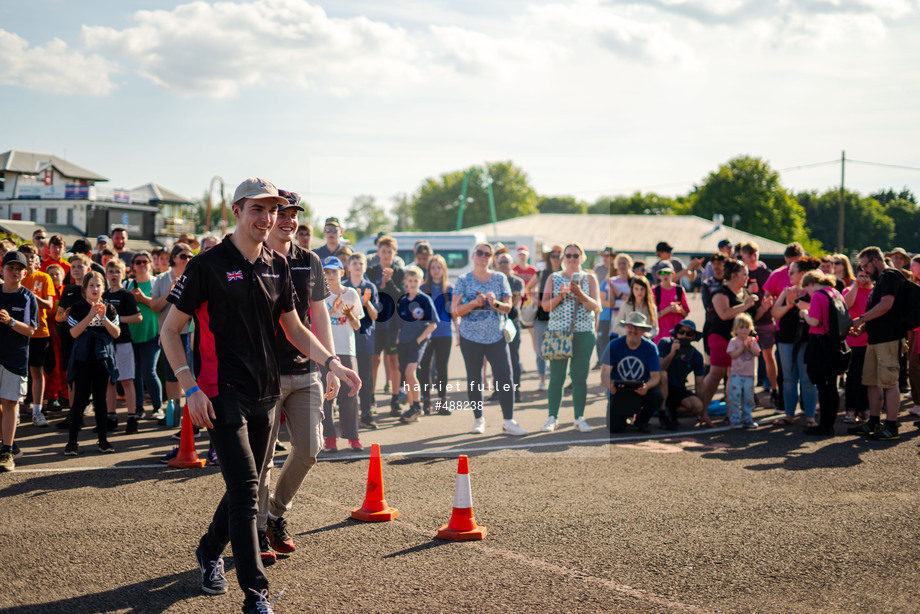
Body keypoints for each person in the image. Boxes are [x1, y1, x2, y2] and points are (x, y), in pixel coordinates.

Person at [161, 178, 359, 614]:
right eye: (258, 209)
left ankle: (209, 548)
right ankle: (256, 594)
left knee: (242, 488)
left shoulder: (278, 264)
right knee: (250, 489)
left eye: (272, 210)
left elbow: (293, 326)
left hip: (266, 392)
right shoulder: (207, 265)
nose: (267, 217)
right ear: (237, 211)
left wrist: (331, 362)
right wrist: (189, 387)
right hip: (219, 392)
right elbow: (169, 330)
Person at [256, 190, 333, 564]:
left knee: (308, 449)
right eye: (281, 213)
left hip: (306, 371)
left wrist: (330, 362)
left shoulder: (311, 260)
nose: (288, 220)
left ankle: (273, 514)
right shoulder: (255, 258)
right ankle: (256, 531)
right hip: (265, 375)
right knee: (263, 458)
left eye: (293, 215)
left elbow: (319, 316)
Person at [452, 242, 526, 435]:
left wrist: (495, 303)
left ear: (491, 257)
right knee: (475, 379)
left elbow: (509, 308)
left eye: (488, 253)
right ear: (473, 255)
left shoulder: (500, 278)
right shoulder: (463, 279)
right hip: (470, 337)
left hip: (496, 336)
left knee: (505, 377)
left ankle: (508, 421)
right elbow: (455, 310)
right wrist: (473, 304)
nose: (484, 256)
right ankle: (478, 419)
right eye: (480, 252)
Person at [847, 247, 906, 441]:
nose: (863, 270)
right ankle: (874, 421)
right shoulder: (880, 278)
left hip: (889, 339)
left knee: (889, 382)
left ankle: (891, 426)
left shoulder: (889, 275)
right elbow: (880, 310)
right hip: (875, 338)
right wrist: (865, 327)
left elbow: (887, 304)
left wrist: (861, 319)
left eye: (865, 265)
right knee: (871, 381)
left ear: (874, 261)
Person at [541, 243, 600, 432]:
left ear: (582, 257)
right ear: (563, 258)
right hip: (558, 332)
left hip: (583, 331)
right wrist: (561, 295)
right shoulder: (554, 277)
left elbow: (596, 306)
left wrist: (579, 293)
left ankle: (579, 418)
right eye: (568, 255)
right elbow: (545, 306)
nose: (572, 259)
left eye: (575, 255)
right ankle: (552, 417)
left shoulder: (590, 277)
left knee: (579, 377)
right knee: (557, 377)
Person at [699, 259, 762, 427]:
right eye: (744, 274)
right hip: (719, 336)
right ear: (733, 276)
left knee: (732, 377)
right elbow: (724, 314)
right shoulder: (721, 293)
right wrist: (746, 305)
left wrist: (765, 307)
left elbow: (751, 318)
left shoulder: (745, 294)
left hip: (740, 339)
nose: (747, 277)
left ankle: (731, 414)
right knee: (716, 374)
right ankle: (701, 411)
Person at [64, 271, 120, 455]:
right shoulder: (77, 307)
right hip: (82, 360)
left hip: (102, 360)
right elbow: (73, 333)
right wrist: (90, 315)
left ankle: (103, 441)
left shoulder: (110, 309)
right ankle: (72, 443)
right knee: (79, 401)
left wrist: (103, 318)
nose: (95, 289)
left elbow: (116, 333)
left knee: (100, 401)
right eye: (91, 286)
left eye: (98, 286)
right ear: (85, 289)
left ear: (103, 288)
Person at [150, 243, 196, 433]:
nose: (187, 260)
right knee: (171, 375)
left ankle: (191, 418)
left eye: (190, 257)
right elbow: (154, 307)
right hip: (169, 335)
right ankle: (173, 415)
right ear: (174, 258)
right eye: (183, 256)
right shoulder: (162, 279)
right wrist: (170, 292)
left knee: (190, 375)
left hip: (189, 333)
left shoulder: (194, 276)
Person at [771, 256, 821, 427]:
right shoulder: (787, 291)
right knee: (788, 379)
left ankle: (809, 417)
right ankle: (789, 415)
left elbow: (817, 310)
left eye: (792, 272)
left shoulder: (813, 292)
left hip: (807, 340)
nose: (789, 274)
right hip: (786, 340)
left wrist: (798, 302)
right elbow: (775, 313)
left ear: (803, 273)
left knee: (807, 379)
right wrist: (789, 305)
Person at [320, 256, 364, 449]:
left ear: (342, 273)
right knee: (327, 395)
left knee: (350, 393)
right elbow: (317, 323)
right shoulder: (319, 295)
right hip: (326, 352)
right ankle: (330, 439)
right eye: (326, 272)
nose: (330, 275)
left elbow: (357, 325)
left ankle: (353, 438)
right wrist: (332, 310)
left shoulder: (352, 293)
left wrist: (348, 314)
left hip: (347, 349)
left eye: (333, 271)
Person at [0, 251, 38, 471]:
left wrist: (10, 321)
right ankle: (8, 444)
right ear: (2, 269)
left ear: (25, 273)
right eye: (10, 268)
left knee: (10, 403)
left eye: (18, 269)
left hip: (15, 357)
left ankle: (6, 452)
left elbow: (31, 329)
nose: (14, 272)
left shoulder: (27, 296)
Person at [601, 312, 664, 433]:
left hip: (641, 391)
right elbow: (604, 373)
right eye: (630, 326)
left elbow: (656, 376)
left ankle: (642, 420)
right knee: (614, 428)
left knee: (656, 396)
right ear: (625, 327)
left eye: (638, 327)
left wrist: (647, 386)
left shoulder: (650, 348)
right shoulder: (614, 345)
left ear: (643, 330)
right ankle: (623, 417)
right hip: (619, 391)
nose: (633, 331)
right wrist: (610, 385)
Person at [800, 270, 844, 436]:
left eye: (806, 290)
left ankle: (825, 425)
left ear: (811, 284)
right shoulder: (835, 292)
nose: (807, 294)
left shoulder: (818, 295)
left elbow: (815, 321)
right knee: (831, 385)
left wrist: (804, 314)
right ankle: (829, 422)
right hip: (834, 343)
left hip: (819, 343)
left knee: (823, 386)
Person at [102, 259, 142, 434]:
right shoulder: (103, 295)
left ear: (123, 274)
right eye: (110, 271)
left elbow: (138, 317)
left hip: (123, 342)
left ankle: (132, 418)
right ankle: (110, 417)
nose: (113, 275)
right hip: (107, 343)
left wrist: (117, 319)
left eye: (117, 272)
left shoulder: (126, 295)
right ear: (106, 274)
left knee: (126, 381)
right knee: (109, 382)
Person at [18, 244, 56, 428]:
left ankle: (37, 411)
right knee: (17, 371)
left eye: (32, 256)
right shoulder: (17, 277)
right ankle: (15, 409)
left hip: (40, 331)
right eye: (26, 256)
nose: (30, 260)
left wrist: (33, 297)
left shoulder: (44, 277)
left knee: (37, 372)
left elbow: (50, 305)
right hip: (18, 331)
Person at [394, 265, 438, 423]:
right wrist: (399, 339)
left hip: (417, 343)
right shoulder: (403, 300)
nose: (412, 283)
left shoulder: (424, 299)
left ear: (421, 281)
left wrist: (418, 341)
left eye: (415, 280)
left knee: (411, 371)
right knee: (406, 374)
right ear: (405, 281)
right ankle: (412, 408)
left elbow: (433, 324)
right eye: (410, 280)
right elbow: (400, 324)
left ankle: (417, 406)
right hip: (404, 342)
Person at [367, 235, 405, 415]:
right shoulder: (372, 270)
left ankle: (395, 399)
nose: (386, 255)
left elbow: (400, 296)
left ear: (394, 253)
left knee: (393, 362)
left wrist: (389, 282)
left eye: (390, 252)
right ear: (378, 253)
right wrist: (380, 283)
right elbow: (369, 293)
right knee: (374, 360)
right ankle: (371, 398)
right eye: (383, 252)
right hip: (375, 324)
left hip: (393, 324)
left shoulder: (399, 272)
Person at [343, 252, 379, 428]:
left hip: (364, 338)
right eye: (354, 262)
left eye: (360, 263)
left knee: (365, 377)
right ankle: (345, 415)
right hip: (345, 339)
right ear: (348, 267)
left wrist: (366, 302)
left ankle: (366, 413)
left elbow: (374, 316)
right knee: (345, 378)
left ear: (365, 267)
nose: (357, 265)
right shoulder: (344, 287)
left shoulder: (370, 287)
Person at [738, 241, 778, 403]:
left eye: (755, 254)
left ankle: (774, 389)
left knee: (768, 356)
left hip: (766, 320)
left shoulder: (765, 272)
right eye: (750, 255)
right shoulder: (740, 272)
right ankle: (747, 393)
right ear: (744, 257)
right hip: (747, 321)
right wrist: (748, 291)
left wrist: (768, 303)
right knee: (745, 358)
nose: (753, 258)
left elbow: (773, 294)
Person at [126, 251, 164, 421]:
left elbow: (160, 306)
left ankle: (157, 407)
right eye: (138, 262)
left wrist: (143, 299)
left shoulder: (157, 283)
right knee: (135, 373)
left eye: (145, 261)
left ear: (150, 263)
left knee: (149, 371)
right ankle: (139, 407)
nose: (142, 265)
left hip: (152, 334)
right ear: (133, 266)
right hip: (132, 335)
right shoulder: (127, 285)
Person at [418, 254, 454, 414]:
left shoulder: (450, 289)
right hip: (426, 333)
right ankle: (426, 400)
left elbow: (454, 313)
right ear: (429, 270)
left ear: (443, 269)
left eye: (439, 267)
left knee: (441, 367)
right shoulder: (422, 288)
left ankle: (442, 400)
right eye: (433, 267)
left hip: (445, 333)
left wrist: (459, 333)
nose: (436, 270)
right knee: (424, 367)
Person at [657, 319, 705, 427]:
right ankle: (662, 414)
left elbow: (700, 383)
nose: (684, 336)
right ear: (676, 333)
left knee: (697, 406)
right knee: (663, 375)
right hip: (659, 387)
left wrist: (703, 412)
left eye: (688, 334)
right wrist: (672, 354)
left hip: (677, 389)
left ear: (693, 337)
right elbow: (659, 368)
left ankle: (672, 410)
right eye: (681, 332)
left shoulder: (696, 355)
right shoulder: (665, 343)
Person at [526, 245, 562, 391]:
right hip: (542, 316)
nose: (556, 259)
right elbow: (527, 289)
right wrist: (537, 301)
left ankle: (555, 379)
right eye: (553, 256)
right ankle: (541, 379)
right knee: (541, 350)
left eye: (559, 256)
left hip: (560, 317)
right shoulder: (542, 273)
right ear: (549, 258)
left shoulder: (565, 274)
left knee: (557, 351)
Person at [843, 267, 873, 423]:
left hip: (870, 341)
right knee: (853, 376)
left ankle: (864, 408)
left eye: (867, 275)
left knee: (867, 377)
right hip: (853, 341)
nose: (864, 279)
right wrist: (855, 286)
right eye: (861, 275)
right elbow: (846, 305)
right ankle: (851, 408)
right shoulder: (849, 289)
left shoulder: (875, 291)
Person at [495, 253, 524, 404]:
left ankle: (516, 390)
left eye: (506, 262)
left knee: (513, 358)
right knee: (496, 359)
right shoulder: (493, 280)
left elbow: (515, 302)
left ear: (511, 264)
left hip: (512, 323)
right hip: (496, 323)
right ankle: (497, 390)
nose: (503, 264)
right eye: (501, 262)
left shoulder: (517, 282)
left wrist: (498, 301)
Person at [727, 313, 761, 429]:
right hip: (736, 375)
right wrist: (742, 346)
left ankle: (747, 418)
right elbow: (733, 355)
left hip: (749, 375)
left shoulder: (752, 341)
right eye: (741, 327)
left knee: (748, 398)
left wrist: (750, 346)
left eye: (747, 327)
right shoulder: (733, 341)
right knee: (735, 398)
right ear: (736, 329)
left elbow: (757, 353)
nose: (744, 330)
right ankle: (735, 419)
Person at [598, 253, 631, 364]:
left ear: (629, 265)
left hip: (630, 318)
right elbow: (611, 304)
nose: (622, 266)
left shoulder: (634, 281)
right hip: (616, 318)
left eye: (624, 263)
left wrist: (618, 293)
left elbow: (633, 301)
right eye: (619, 263)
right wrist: (612, 288)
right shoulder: (612, 281)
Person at [612, 276, 659, 340]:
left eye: (642, 289)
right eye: (636, 289)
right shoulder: (626, 305)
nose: (639, 292)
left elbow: (655, 329)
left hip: (643, 343)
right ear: (632, 289)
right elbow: (616, 327)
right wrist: (632, 333)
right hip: (627, 342)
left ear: (646, 290)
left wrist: (647, 335)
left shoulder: (652, 307)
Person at [651, 264, 689, 343]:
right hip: (660, 336)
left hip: (678, 335)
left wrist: (679, 309)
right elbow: (653, 317)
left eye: (668, 273)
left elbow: (685, 314)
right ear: (658, 275)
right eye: (662, 273)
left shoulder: (680, 290)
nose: (665, 275)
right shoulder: (654, 291)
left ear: (673, 274)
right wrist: (669, 309)